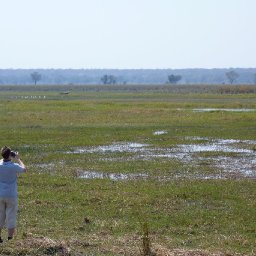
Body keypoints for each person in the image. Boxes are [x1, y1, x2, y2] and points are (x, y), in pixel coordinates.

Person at [0, 146, 26, 242]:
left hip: (0, 194)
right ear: (10, 155)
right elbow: (24, 169)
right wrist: (18, 159)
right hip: (11, 194)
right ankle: (10, 239)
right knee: (11, 216)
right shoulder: (14, 166)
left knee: (0, 215)